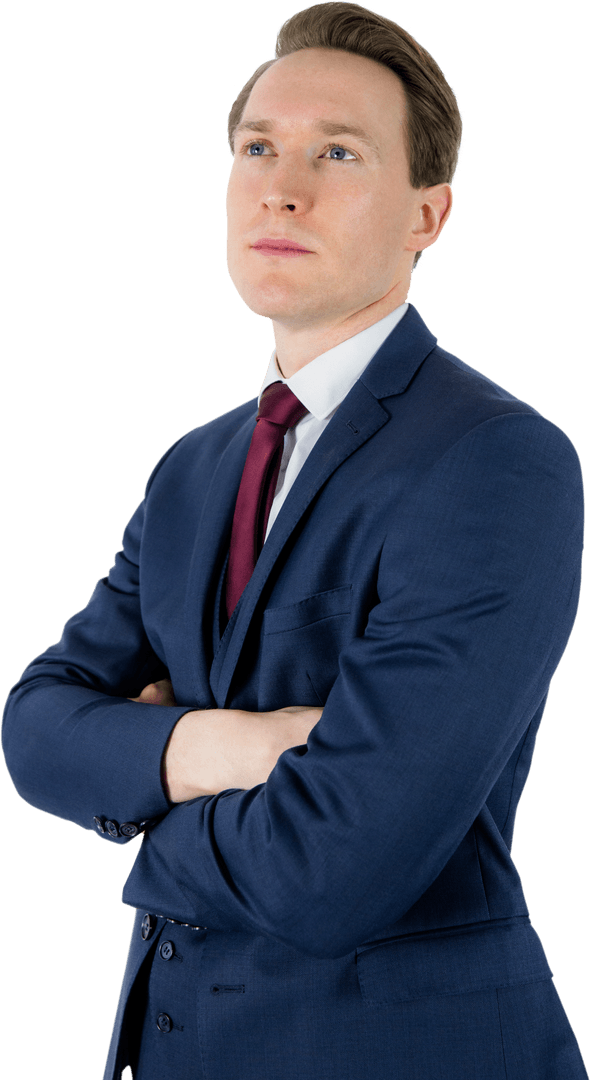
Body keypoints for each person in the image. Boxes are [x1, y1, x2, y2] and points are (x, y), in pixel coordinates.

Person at [2, 3, 587, 1078]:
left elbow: (336, 865)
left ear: (426, 215)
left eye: (338, 153)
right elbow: (34, 731)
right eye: (257, 148)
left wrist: (136, 779)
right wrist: (228, 746)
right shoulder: (192, 467)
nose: (280, 184)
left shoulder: (497, 461)